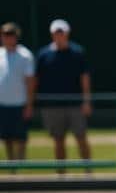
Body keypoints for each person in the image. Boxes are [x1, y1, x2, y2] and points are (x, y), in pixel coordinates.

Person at [34, 19, 92, 164]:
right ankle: (61, 175)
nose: (59, 35)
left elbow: (84, 78)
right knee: (58, 140)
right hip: (52, 106)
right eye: (56, 33)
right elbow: (36, 79)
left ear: (67, 34)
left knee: (81, 138)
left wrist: (86, 101)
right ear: (52, 34)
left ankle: (89, 172)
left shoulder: (78, 53)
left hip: (75, 104)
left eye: (62, 33)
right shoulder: (43, 55)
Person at [0, 22, 35, 161]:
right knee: (6, 137)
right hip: (2, 104)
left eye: (11, 35)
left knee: (21, 137)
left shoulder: (25, 55)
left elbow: (30, 82)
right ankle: (11, 164)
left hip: (20, 103)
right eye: (5, 35)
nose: (8, 38)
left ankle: (21, 163)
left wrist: (29, 105)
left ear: (16, 37)